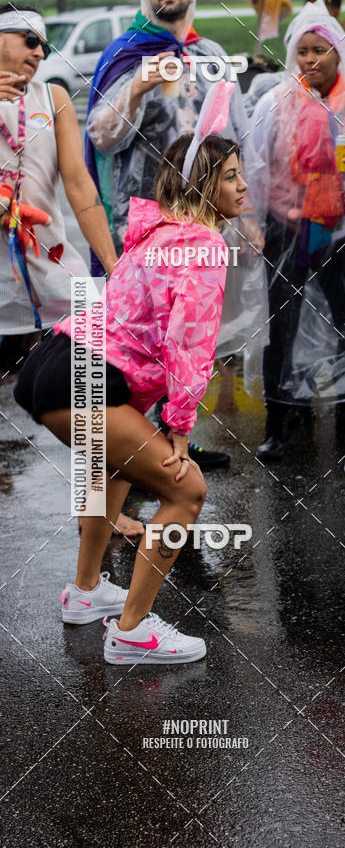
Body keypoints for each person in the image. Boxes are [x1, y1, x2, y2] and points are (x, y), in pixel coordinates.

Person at [14, 85, 245, 664]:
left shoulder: (160, 233)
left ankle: (86, 591)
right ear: (204, 187)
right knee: (187, 490)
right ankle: (132, 631)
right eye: (231, 177)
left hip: (55, 364)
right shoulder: (201, 245)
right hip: (84, 377)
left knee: (114, 469)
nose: (244, 186)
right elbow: (188, 342)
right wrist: (180, 429)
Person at [85, 0, 268, 470]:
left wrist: (248, 216)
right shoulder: (128, 54)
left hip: (203, 223)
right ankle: (130, 451)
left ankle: (174, 437)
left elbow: (236, 137)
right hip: (145, 223)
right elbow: (101, 136)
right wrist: (139, 85)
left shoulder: (211, 53)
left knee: (186, 330)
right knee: (140, 336)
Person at [249, 0, 345, 460]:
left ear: (339, 52)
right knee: (281, 328)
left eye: (320, 50)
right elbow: (255, 168)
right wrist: (250, 224)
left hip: (342, 228)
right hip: (285, 228)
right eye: (302, 51)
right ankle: (279, 423)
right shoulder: (274, 102)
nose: (310, 60)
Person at [0, 4, 117, 371]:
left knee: (89, 377)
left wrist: (113, 265)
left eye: (45, 47)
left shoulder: (53, 98)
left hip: (50, 268)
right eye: (30, 40)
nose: (39, 52)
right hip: (2, 277)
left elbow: (79, 185)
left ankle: (88, 415)